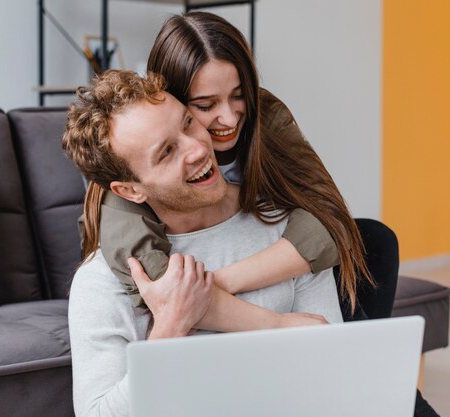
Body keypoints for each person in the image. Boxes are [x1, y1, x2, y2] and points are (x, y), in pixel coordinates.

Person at [63, 70, 343, 417]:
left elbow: (332, 371)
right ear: (130, 190)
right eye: (166, 152)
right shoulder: (103, 280)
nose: (197, 149)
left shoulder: (282, 231)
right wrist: (170, 326)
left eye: (188, 124)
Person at [87, 11, 379, 320]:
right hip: (195, 268)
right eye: (205, 105)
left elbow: (330, 219)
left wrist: (220, 283)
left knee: (375, 239)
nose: (228, 118)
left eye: (238, 96)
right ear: (167, 100)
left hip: (240, 256)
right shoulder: (127, 178)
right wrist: (275, 324)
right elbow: (158, 283)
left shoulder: (266, 116)